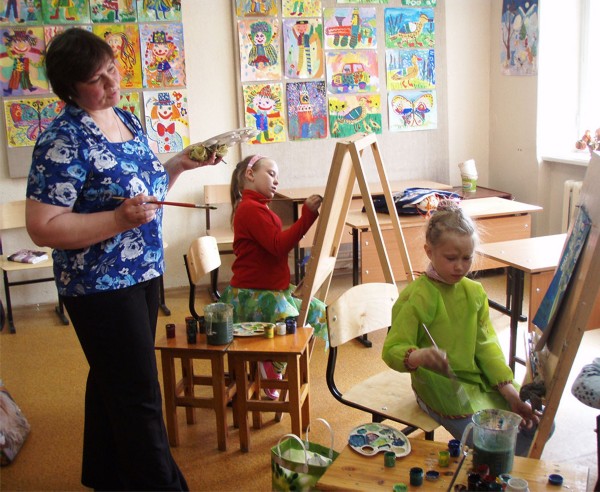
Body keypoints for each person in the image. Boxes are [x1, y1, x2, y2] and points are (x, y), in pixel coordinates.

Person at [24, 28, 221, 490]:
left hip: (142, 271)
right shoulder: (62, 140)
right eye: (97, 79)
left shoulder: (126, 118)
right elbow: (43, 226)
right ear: (70, 89)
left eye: (112, 69)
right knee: (139, 394)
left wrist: (178, 165)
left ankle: (106, 475)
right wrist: (116, 220)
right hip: (99, 285)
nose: (112, 83)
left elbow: (144, 192)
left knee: (112, 378)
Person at [382, 199, 541, 456]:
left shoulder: (473, 292)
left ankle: (502, 468)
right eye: (451, 258)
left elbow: (487, 347)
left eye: (467, 258)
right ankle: (496, 470)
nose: (460, 266)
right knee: (492, 443)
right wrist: (418, 356)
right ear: (429, 251)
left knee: (539, 427)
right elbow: (392, 349)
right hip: (439, 386)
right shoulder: (417, 296)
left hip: (478, 381)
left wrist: (510, 393)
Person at [220, 155, 328, 399]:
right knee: (292, 324)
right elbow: (278, 245)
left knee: (317, 310)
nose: (276, 181)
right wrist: (307, 217)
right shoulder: (250, 208)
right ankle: (271, 362)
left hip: (270, 290)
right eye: (271, 174)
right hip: (252, 295)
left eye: (277, 176)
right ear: (250, 175)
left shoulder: (259, 206)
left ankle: (272, 359)